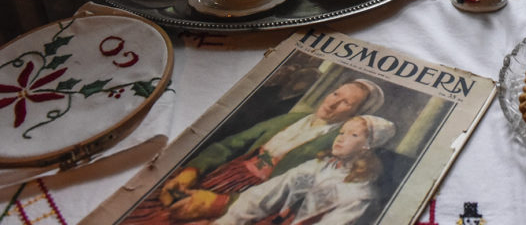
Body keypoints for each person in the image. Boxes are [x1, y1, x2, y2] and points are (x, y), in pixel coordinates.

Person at [124, 79, 384, 223]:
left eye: (345, 102)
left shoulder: (337, 146)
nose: (333, 102)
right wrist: (193, 170)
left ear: (356, 114)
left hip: (249, 199)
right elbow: (231, 144)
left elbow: (294, 195)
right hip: (217, 176)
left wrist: (223, 203)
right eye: (335, 93)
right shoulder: (292, 119)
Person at [211, 114, 396, 225]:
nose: (340, 138)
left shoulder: (360, 194)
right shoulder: (317, 166)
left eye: (353, 135)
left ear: (368, 145)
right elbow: (264, 195)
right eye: (341, 132)